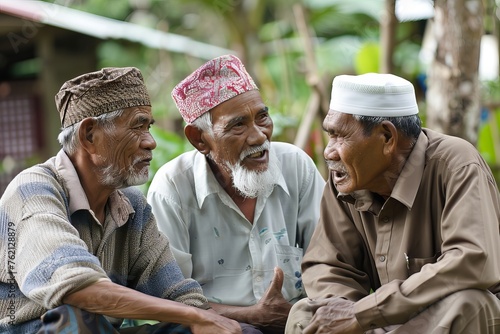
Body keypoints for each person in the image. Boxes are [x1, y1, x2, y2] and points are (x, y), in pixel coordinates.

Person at [0, 67, 242, 334]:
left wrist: (221, 321)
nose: (150, 142)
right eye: (137, 126)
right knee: (74, 318)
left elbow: (179, 295)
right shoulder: (33, 190)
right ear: (89, 135)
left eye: (148, 127)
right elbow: (76, 287)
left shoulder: (131, 205)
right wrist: (194, 316)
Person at [284, 73, 500, 334]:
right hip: (384, 324)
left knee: (469, 303)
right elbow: (329, 265)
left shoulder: (456, 165)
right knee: (306, 312)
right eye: (329, 136)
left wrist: (364, 313)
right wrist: (342, 311)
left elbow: (472, 261)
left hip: (444, 321)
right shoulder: (347, 177)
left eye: (339, 136)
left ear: (387, 137)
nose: (328, 151)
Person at [147, 54, 326, 334]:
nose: (259, 137)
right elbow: (167, 299)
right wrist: (253, 316)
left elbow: (328, 260)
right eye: (238, 125)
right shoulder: (172, 188)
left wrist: (302, 315)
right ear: (199, 139)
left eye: (262, 117)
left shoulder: (296, 166)